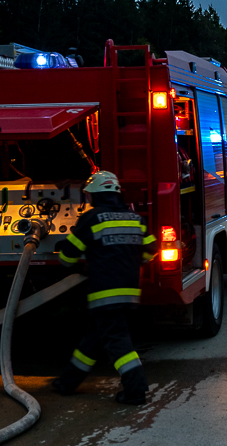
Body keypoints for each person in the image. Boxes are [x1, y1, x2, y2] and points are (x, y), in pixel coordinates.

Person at [52, 170, 158, 405]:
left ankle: (136, 390)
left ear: (95, 195)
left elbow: (67, 258)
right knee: (93, 339)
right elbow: (151, 249)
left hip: (104, 293)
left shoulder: (91, 218)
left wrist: (80, 263)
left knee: (117, 341)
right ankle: (67, 382)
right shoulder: (134, 218)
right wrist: (133, 260)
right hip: (130, 292)